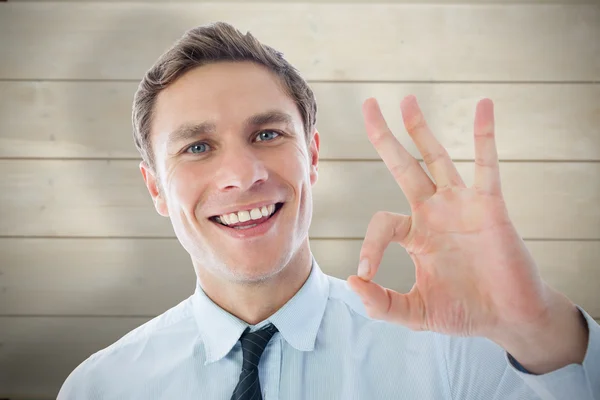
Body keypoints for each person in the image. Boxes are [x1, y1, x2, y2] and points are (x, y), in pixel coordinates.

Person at [58, 22, 599, 400]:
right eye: (197, 147)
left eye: (267, 133)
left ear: (312, 155)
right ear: (155, 188)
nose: (242, 175)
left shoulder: (455, 355)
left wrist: (537, 326)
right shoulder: (100, 388)